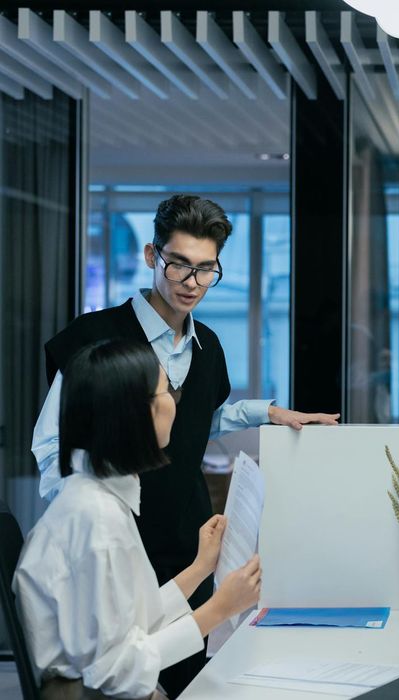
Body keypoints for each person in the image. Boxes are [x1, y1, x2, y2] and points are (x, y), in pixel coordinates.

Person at [30, 194, 337, 695]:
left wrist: (268, 413)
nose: (192, 283)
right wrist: (85, 518)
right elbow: (50, 449)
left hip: (186, 541)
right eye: (179, 267)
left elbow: (194, 420)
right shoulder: (97, 342)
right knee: (128, 673)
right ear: (153, 256)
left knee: (191, 677)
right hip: (120, 536)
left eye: (206, 270)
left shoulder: (207, 345)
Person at [14, 339, 262, 699]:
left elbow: (127, 621)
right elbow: (116, 669)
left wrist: (201, 567)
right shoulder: (97, 519)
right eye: (166, 391)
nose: (174, 403)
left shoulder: (97, 495)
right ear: (138, 413)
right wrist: (221, 608)